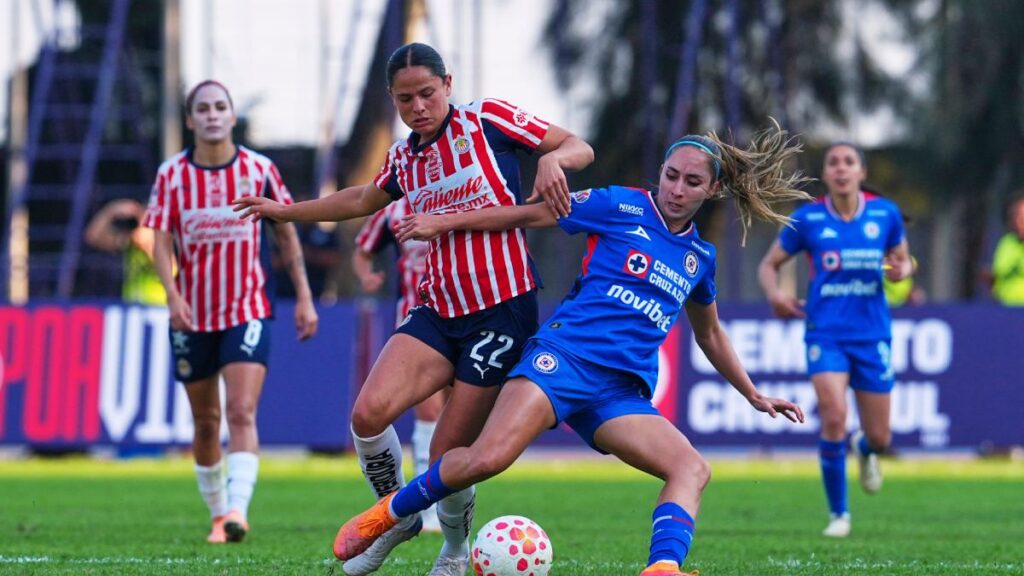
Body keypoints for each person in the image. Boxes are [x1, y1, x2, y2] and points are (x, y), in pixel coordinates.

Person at [332, 124, 808, 576]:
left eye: (692, 182)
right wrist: (446, 222)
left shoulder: (699, 258)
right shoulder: (620, 205)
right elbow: (528, 214)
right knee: (485, 459)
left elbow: (711, 335)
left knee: (691, 467)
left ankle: (663, 566)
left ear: (712, 190)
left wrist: (753, 394)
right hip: (560, 361)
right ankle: (388, 514)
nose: (677, 189)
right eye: (671, 176)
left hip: (619, 394)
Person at [234, 42, 593, 575]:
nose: (418, 106)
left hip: (502, 309)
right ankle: (396, 516)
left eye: (427, 93)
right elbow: (360, 200)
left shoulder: (488, 119)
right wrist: (286, 211)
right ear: (393, 101)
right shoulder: (404, 157)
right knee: (367, 414)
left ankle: (453, 550)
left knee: (449, 459)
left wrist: (553, 161)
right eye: (405, 99)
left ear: (448, 84)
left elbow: (578, 147)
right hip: (438, 307)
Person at [144, 80, 319, 545]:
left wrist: (303, 295)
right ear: (190, 120)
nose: (213, 115)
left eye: (220, 106)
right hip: (192, 313)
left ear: (231, 115)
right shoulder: (172, 175)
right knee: (205, 421)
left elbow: (285, 232)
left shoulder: (259, 169)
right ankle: (219, 514)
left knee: (241, 410)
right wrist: (171, 295)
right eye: (202, 108)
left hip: (247, 309)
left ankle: (239, 510)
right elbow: (160, 240)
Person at [757, 141, 913, 538]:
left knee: (880, 437)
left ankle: (866, 449)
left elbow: (902, 260)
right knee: (834, 415)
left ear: (861, 172)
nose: (841, 168)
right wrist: (775, 295)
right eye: (833, 163)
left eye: (849, 162)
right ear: (825, 175)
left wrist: (902, 270)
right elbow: (769, 265)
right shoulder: (808, 219)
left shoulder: (885, 213)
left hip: (872, 332)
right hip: (824, 332)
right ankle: (839, 514)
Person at [352, 195, 449, 533]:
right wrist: (366, 275)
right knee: (429, 415)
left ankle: (448, 508)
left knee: (454, 423)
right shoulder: (393, 210)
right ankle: (426, 508)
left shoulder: (462, 193)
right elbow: (363, 249)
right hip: (417, 323)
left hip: (464, 316)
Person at [84, 198, 166, 305]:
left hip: (158, 310)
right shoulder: (131, 243)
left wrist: (146, 244)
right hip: (131, 309)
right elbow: (93, 237)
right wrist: (111, 211)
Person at [989, 195, 1024, 305]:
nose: (1019, 221)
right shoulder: (1006, 243)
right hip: (1007, 309)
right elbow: (997, 275)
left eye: (1022, 217)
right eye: (1016, 216)